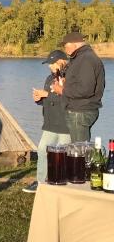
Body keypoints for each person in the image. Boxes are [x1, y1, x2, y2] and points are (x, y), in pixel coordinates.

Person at [23, 50, 71, 193]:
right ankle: (41, 182)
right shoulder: (49, 78)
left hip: (66, 123)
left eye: (52, 64)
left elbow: (68, 98)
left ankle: (63, 183)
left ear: (62, 61)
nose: (50, 67)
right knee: (42, 150)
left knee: (64, 154)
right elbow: (48, 100)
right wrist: (39, 99)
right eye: (49, 64)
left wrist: (47, 94)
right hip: (50, 122)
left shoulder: (71, 77)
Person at [51, 31, 106, 142]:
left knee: (79, 150)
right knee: (79, 149)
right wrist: (66, 81)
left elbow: (85, 89)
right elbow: (81, 82)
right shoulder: (81, 58)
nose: (65, 50)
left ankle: (83, 160)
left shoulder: (86, 59)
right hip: (80, 109)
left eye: (65, 46)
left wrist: (62, 90)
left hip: (80, 111)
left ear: (74, 45)